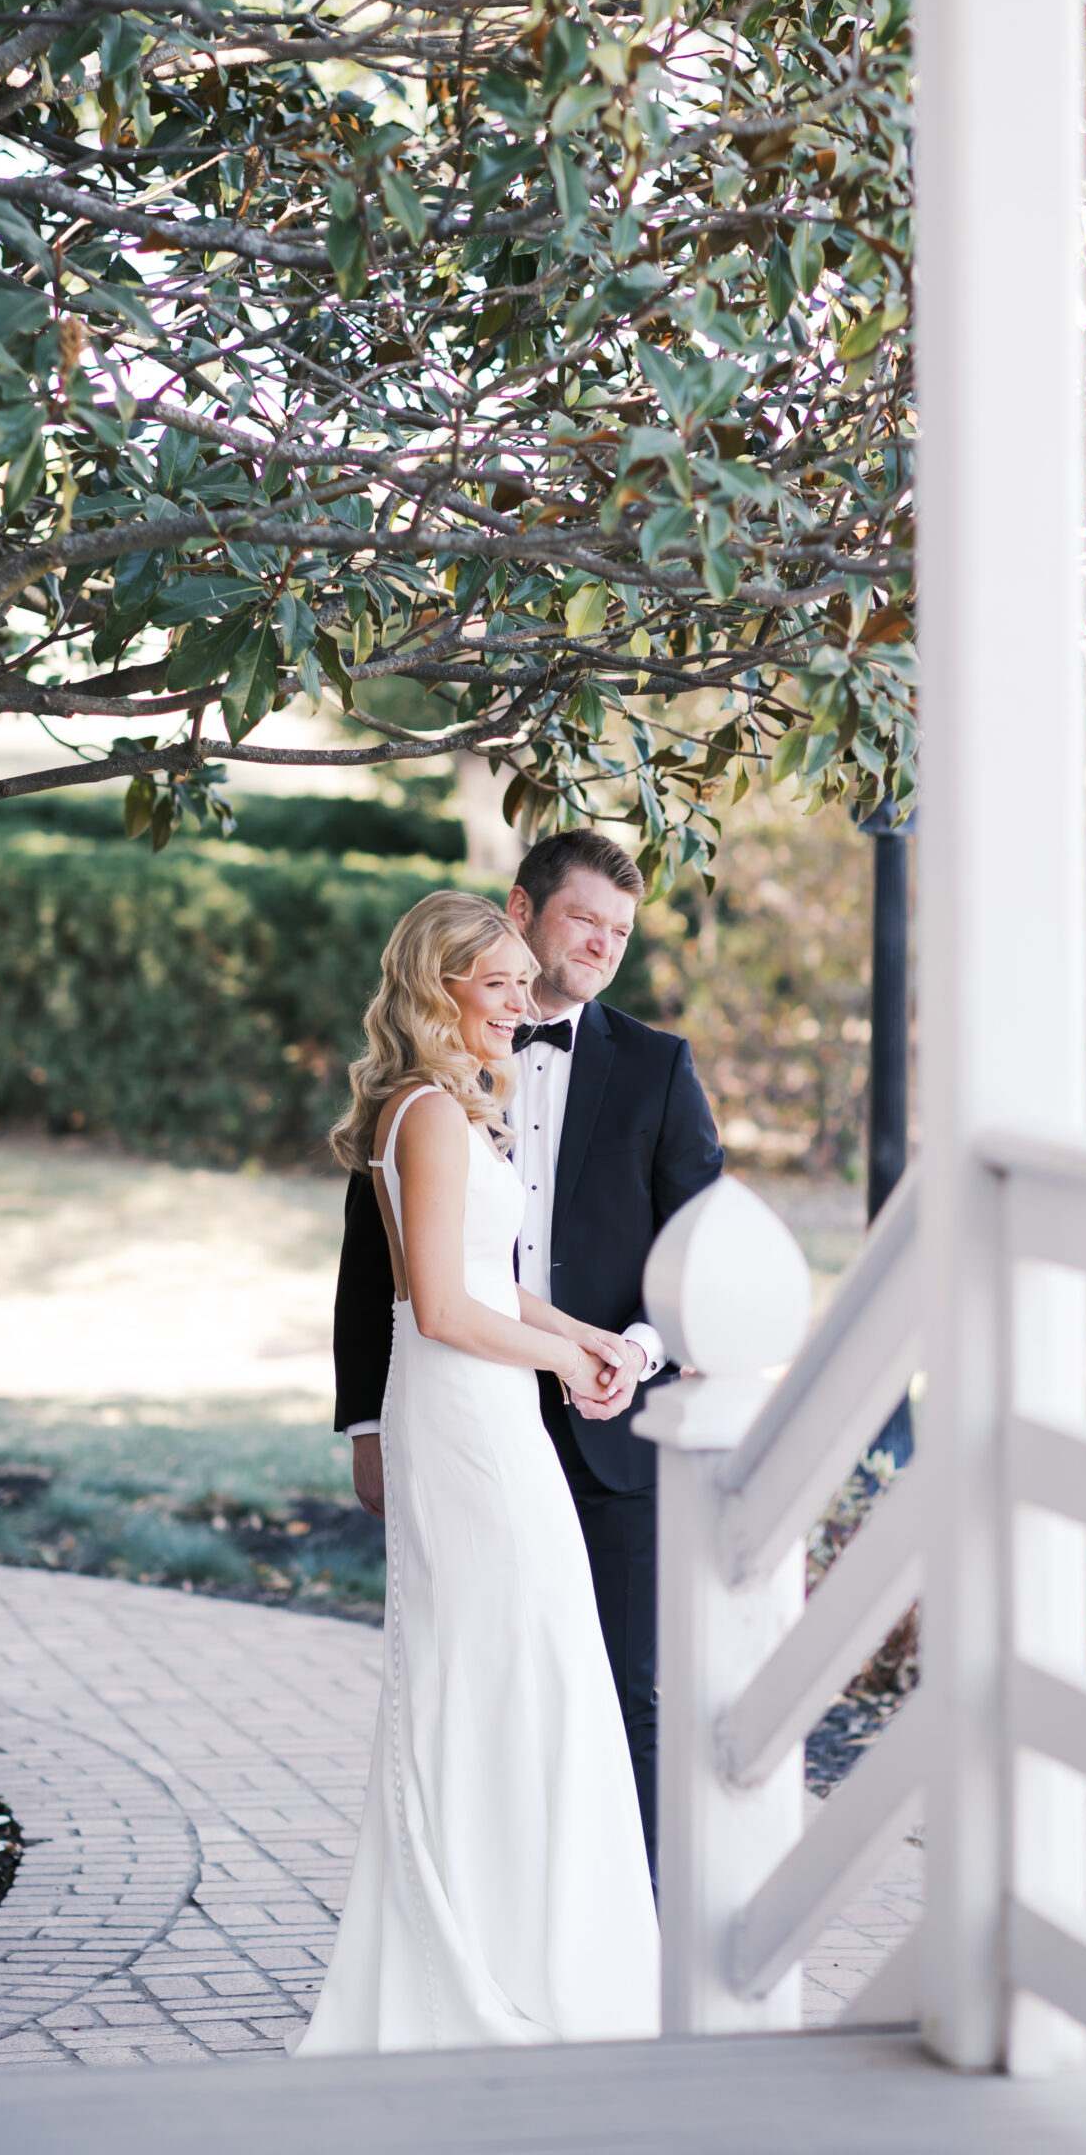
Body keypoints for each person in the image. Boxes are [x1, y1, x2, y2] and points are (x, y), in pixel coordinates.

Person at [295, 891, 658, 2053]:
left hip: (485, 1403)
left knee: (522, 1670)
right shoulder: (432, 1117)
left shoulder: (442, 1108)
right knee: (516, 1669)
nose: (521, 1001)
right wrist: (561, 1361)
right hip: (467, 1420)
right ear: (437, 989)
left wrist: (588, 1340)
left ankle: (519, 1938)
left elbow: (492, 1284)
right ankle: (497, 1956)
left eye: (520, 982)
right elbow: (442, 1308)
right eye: (496, 983)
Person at [332, 829, 725, 1875]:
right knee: (487, 1670)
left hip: (609, 1422)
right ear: (521, 910)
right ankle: (505, 1901)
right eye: (583, 918)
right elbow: (381, 1259)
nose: (602, 942)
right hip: (470, 1413)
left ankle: (631, 1921)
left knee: (620, 1687)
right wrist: (365, 1417)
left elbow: (704, 1248)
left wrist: (628, 1352)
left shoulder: (656, 1067)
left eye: (620, 930)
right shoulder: (441, 1082)